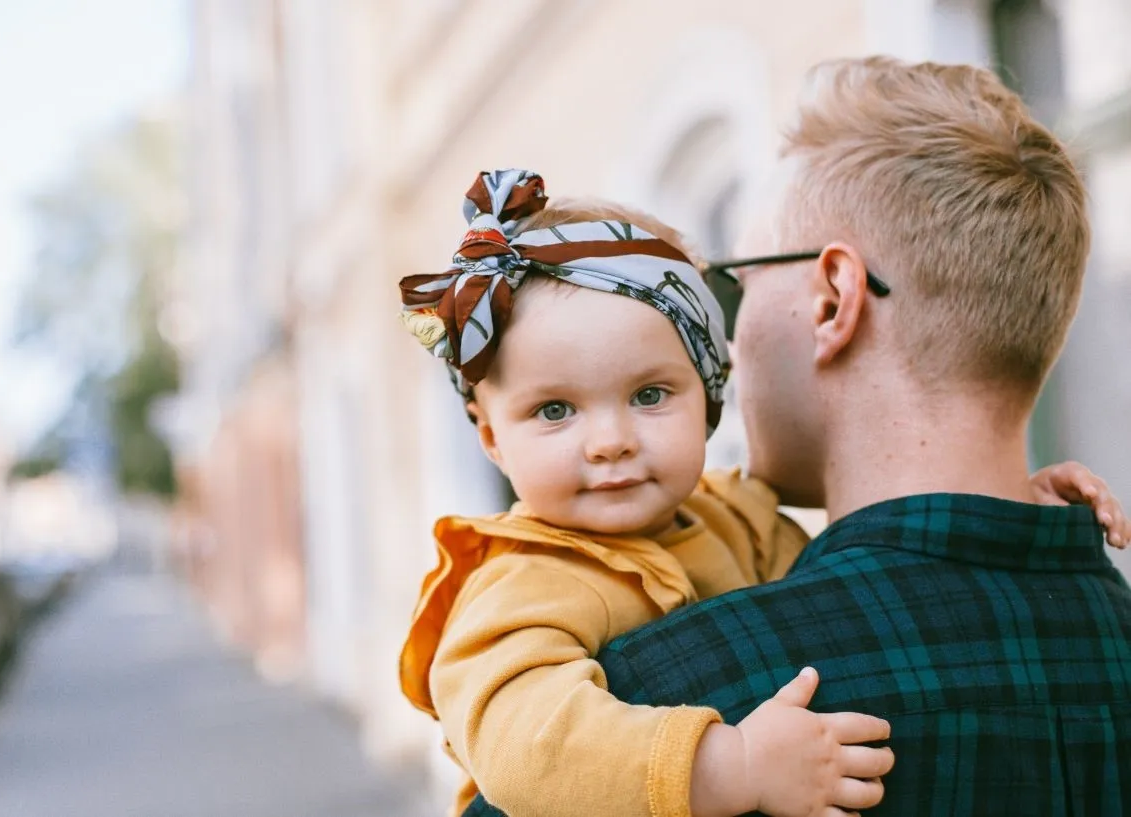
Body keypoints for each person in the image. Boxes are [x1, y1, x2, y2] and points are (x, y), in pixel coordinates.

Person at [457, 57, 1131, 817]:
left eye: (735, 286)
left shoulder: (673, 700)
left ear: (832, 301)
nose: (732, 344)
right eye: (556, 409)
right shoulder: (1112, 630)